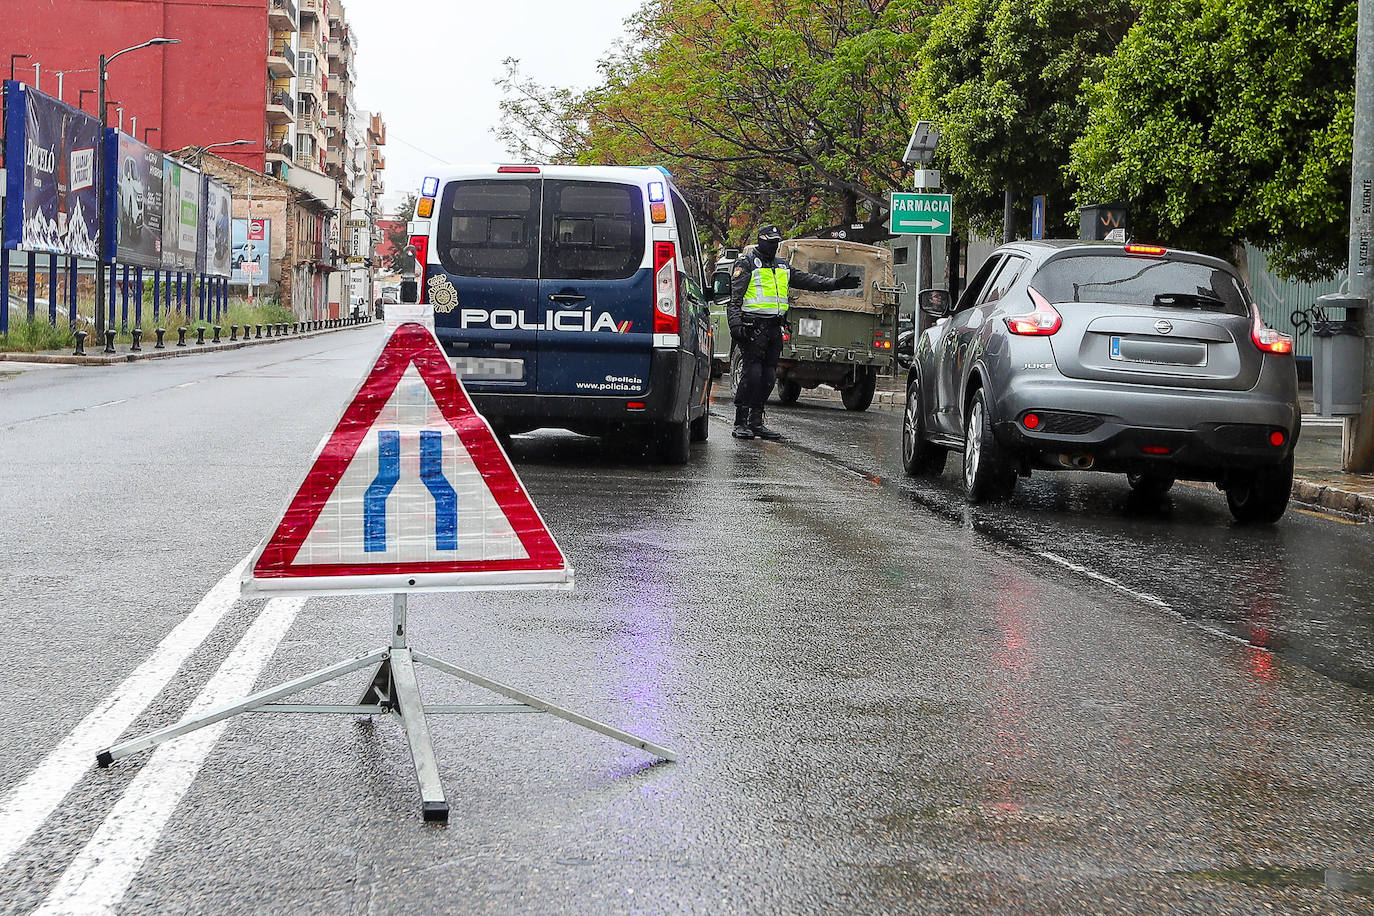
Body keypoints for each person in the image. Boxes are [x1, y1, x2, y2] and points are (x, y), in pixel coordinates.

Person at [727, 225, 861, 439]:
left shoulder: (782, 266)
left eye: (776, 242)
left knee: (769, 378)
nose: (773, 245)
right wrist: (736, 326)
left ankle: (756, 421)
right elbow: (734, 300)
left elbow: (809, 281)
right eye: (769, 241)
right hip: (753, 329)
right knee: (752, 375)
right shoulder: (747, 263)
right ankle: (740, 421)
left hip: (773, 328)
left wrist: (836, 284)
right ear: (760, 241)